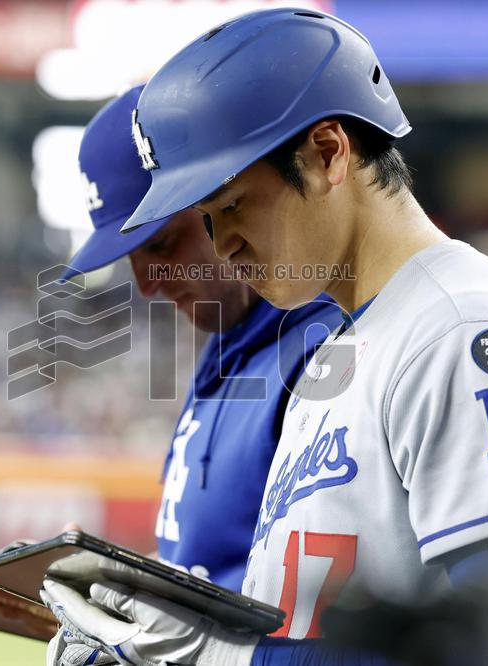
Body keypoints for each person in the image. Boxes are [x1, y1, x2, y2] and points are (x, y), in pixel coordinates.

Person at [42, 8, 488, 666]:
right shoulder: (343, 346)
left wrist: (207, 654)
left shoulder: (462, 332)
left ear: (328, 153)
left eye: (231, 205)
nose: (223, 247)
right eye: (208, 220)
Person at [43, 84, 343, 664]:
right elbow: (221, 567)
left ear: (225, 199)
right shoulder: (229, 344)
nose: (145, 284)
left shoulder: (325, 353)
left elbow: (334, 621)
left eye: (161, 244)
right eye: (130, 259)